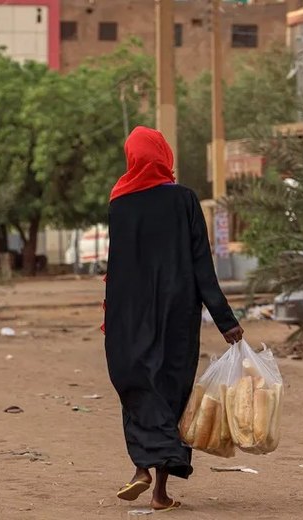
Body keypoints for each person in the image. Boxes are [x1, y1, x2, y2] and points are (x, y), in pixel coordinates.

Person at [103, 127, 243, 512]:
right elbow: (201, 264)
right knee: (171, 390)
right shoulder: (183, 199)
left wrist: (111, 319)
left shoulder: (120, 203)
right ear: (163, 155)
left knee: (137, 387)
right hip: (177, 313)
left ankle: (140, 469)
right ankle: (159, 491)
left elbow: (117, 268)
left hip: (128, 313)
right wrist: (224, 319)